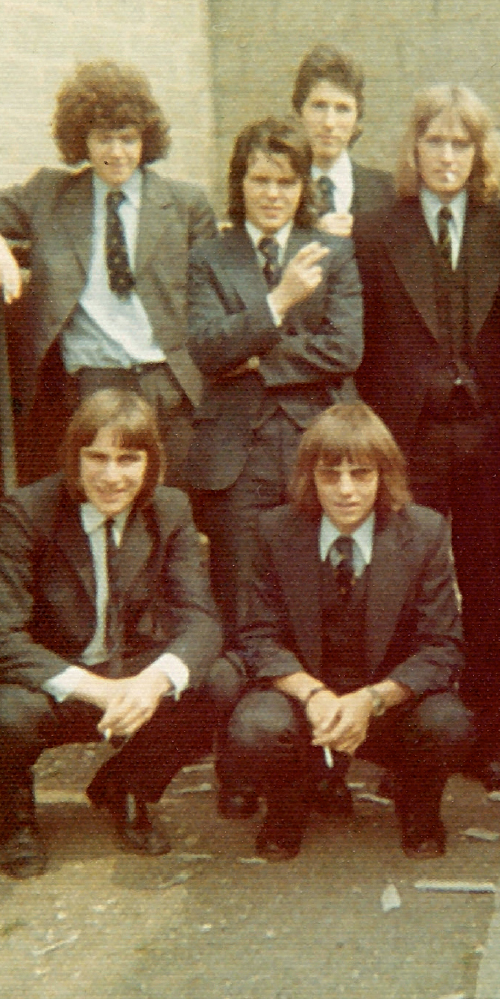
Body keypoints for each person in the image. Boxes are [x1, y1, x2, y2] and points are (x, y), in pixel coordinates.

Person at [353, 85, 500, 791]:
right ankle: (407, 744)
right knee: (404, 591)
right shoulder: (373, 230)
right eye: (435, 141)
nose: (448, 156)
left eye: (462, 143)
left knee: (486, 593)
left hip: (488, 441)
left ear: (479, 153)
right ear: (413, 148)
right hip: (407, 441)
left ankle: (487, 741)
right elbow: (363, 341)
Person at [0, 389, 220, 878]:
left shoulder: (170, 509)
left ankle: (127, 787)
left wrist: (151, 684)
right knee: (2, 710)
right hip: (57, 682)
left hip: (130, 675)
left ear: (152, 463)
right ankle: (17, 811)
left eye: (129, 459)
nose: (112, 477)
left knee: (219, 682)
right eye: (97, 458)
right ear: (74, 457)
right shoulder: (28, 511)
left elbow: (202, 620)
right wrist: (97, 689)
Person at [221, 403, 474, 861]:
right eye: (329, 474)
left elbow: (442, 647)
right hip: (305, 702)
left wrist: (370, 700)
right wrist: (314, 695)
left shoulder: (425, 531)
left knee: (449, 721)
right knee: (255, 724)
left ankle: (419, 811)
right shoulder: (273, 531)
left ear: (384, 475)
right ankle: (286, 809)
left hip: (387, 705)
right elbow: (257, 636)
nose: (345, 490)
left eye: (361, 473)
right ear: (308, 476)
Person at [0, 60, 218, 481]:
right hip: (90, 386)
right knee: (97, 509)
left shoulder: (185, 204)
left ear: (145, 139)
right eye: (103, 138)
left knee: (167, 512)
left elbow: (211, 302)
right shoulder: (50, 194)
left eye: (127, 138)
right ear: (81, 140)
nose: (116, 152)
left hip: (166, 385)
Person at [183, 116, 363, 639]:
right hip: (236, 455)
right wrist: (279, 300)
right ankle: (246, 715)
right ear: (240, 183)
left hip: (316, 440)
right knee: (241, 594)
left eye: (286, 181)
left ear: (303, 185)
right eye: (260, 180)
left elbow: (345, 350)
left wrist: (260, 359)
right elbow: (208, 349)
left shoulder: (333, 253)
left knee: (321, 586)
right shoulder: (210, 257)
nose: (273, 194)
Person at [290, 43, 395, 238]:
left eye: (343, 109)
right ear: (299, 111)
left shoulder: (389, 192)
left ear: (357, 118)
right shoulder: (279, 188)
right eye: (319, 106)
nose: (329, 123)